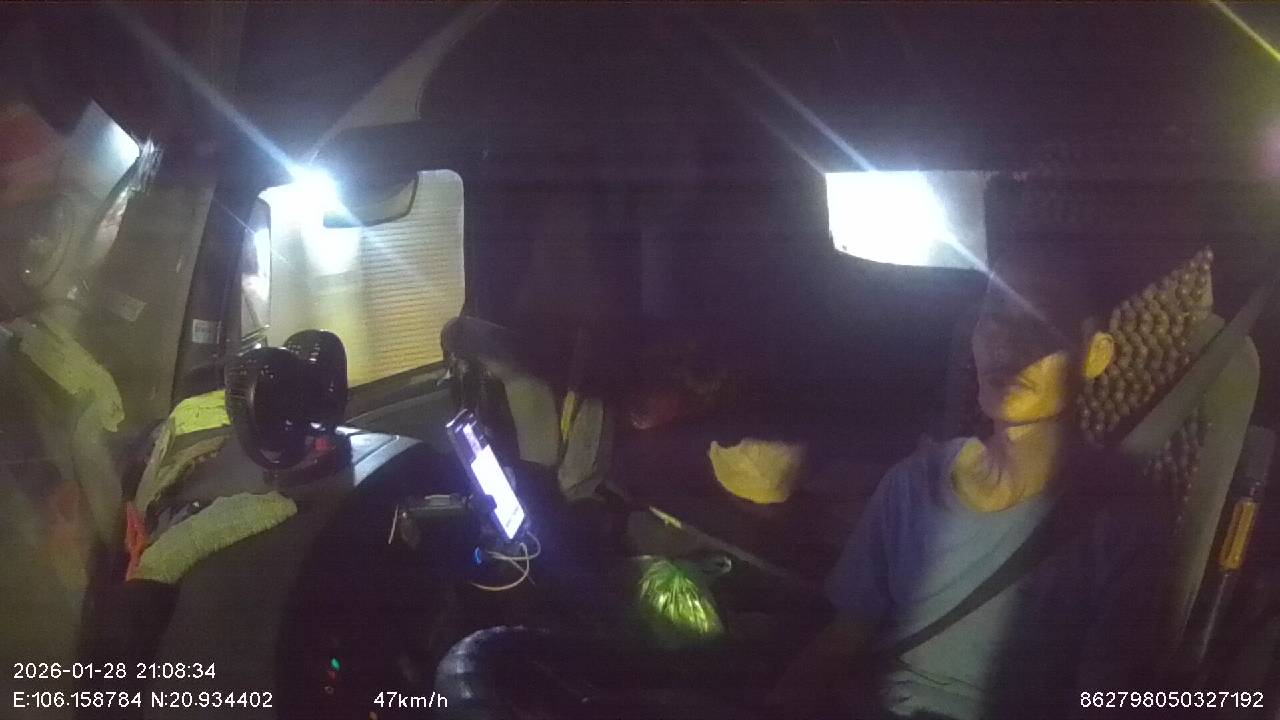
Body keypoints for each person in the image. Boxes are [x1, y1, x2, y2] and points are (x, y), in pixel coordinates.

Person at [769, 244, 1174, 719]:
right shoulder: (914, 484)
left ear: (1096, 354)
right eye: (994, 312)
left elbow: (1104, 700)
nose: (1007, 340)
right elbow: (844, 638)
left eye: (1041, 319)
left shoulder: (1120, 528)